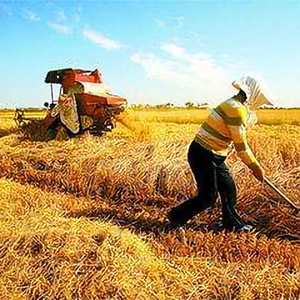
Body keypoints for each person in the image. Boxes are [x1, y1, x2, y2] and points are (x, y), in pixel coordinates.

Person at [167, 76, 273, 231]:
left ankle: (231, 223)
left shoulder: (236, 105)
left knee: (228, 188)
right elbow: (241, 145)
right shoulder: (236, 109)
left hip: (215, 154)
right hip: (203, 153)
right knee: (208, 197)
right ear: (254, 95)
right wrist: (255, 167)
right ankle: (176, 216)